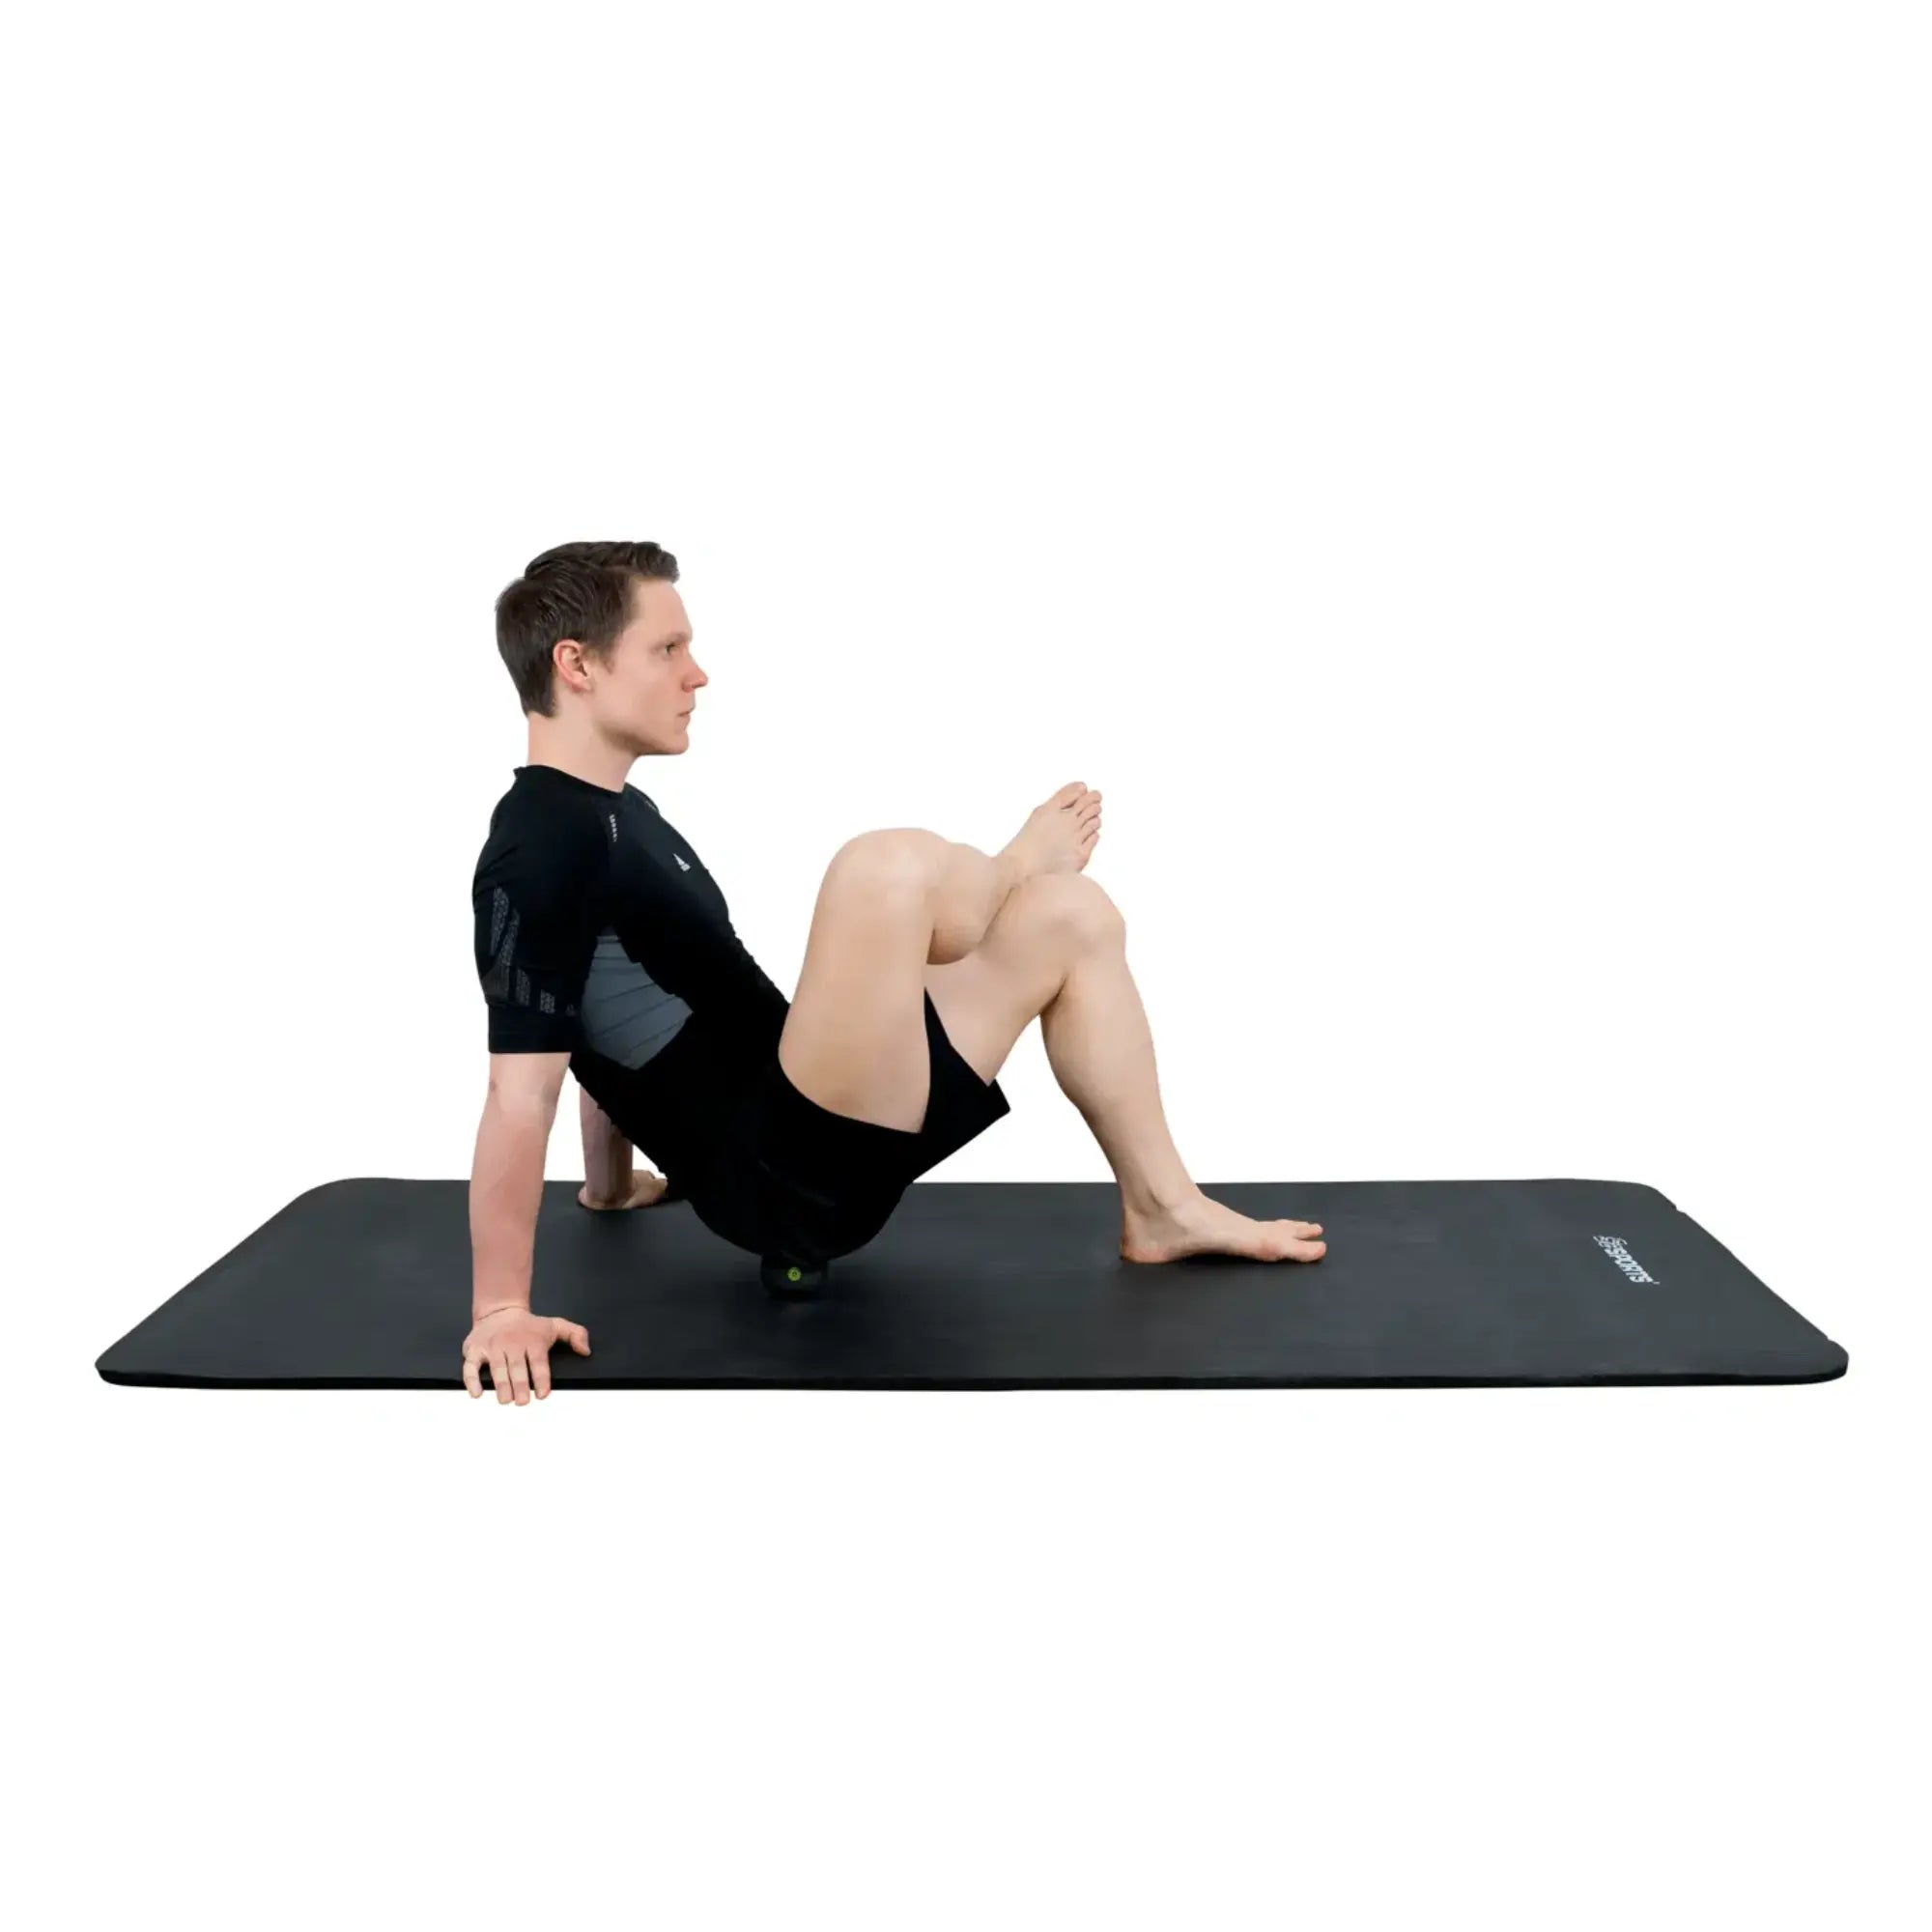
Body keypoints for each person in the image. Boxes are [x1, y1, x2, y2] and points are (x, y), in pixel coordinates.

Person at [464, 540, 1327, 1404]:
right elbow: (521, 1090)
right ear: (577, 665)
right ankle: (1015, 863)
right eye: (668, 648)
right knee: (882, 869)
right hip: (782, 1174)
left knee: (1071, 917)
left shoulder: (616, 815)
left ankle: (1162, 1207)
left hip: (823, 1126)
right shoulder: (535, 850)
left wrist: (610, 1188)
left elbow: (596, 1015)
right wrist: (501, 1308)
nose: (698, 674)